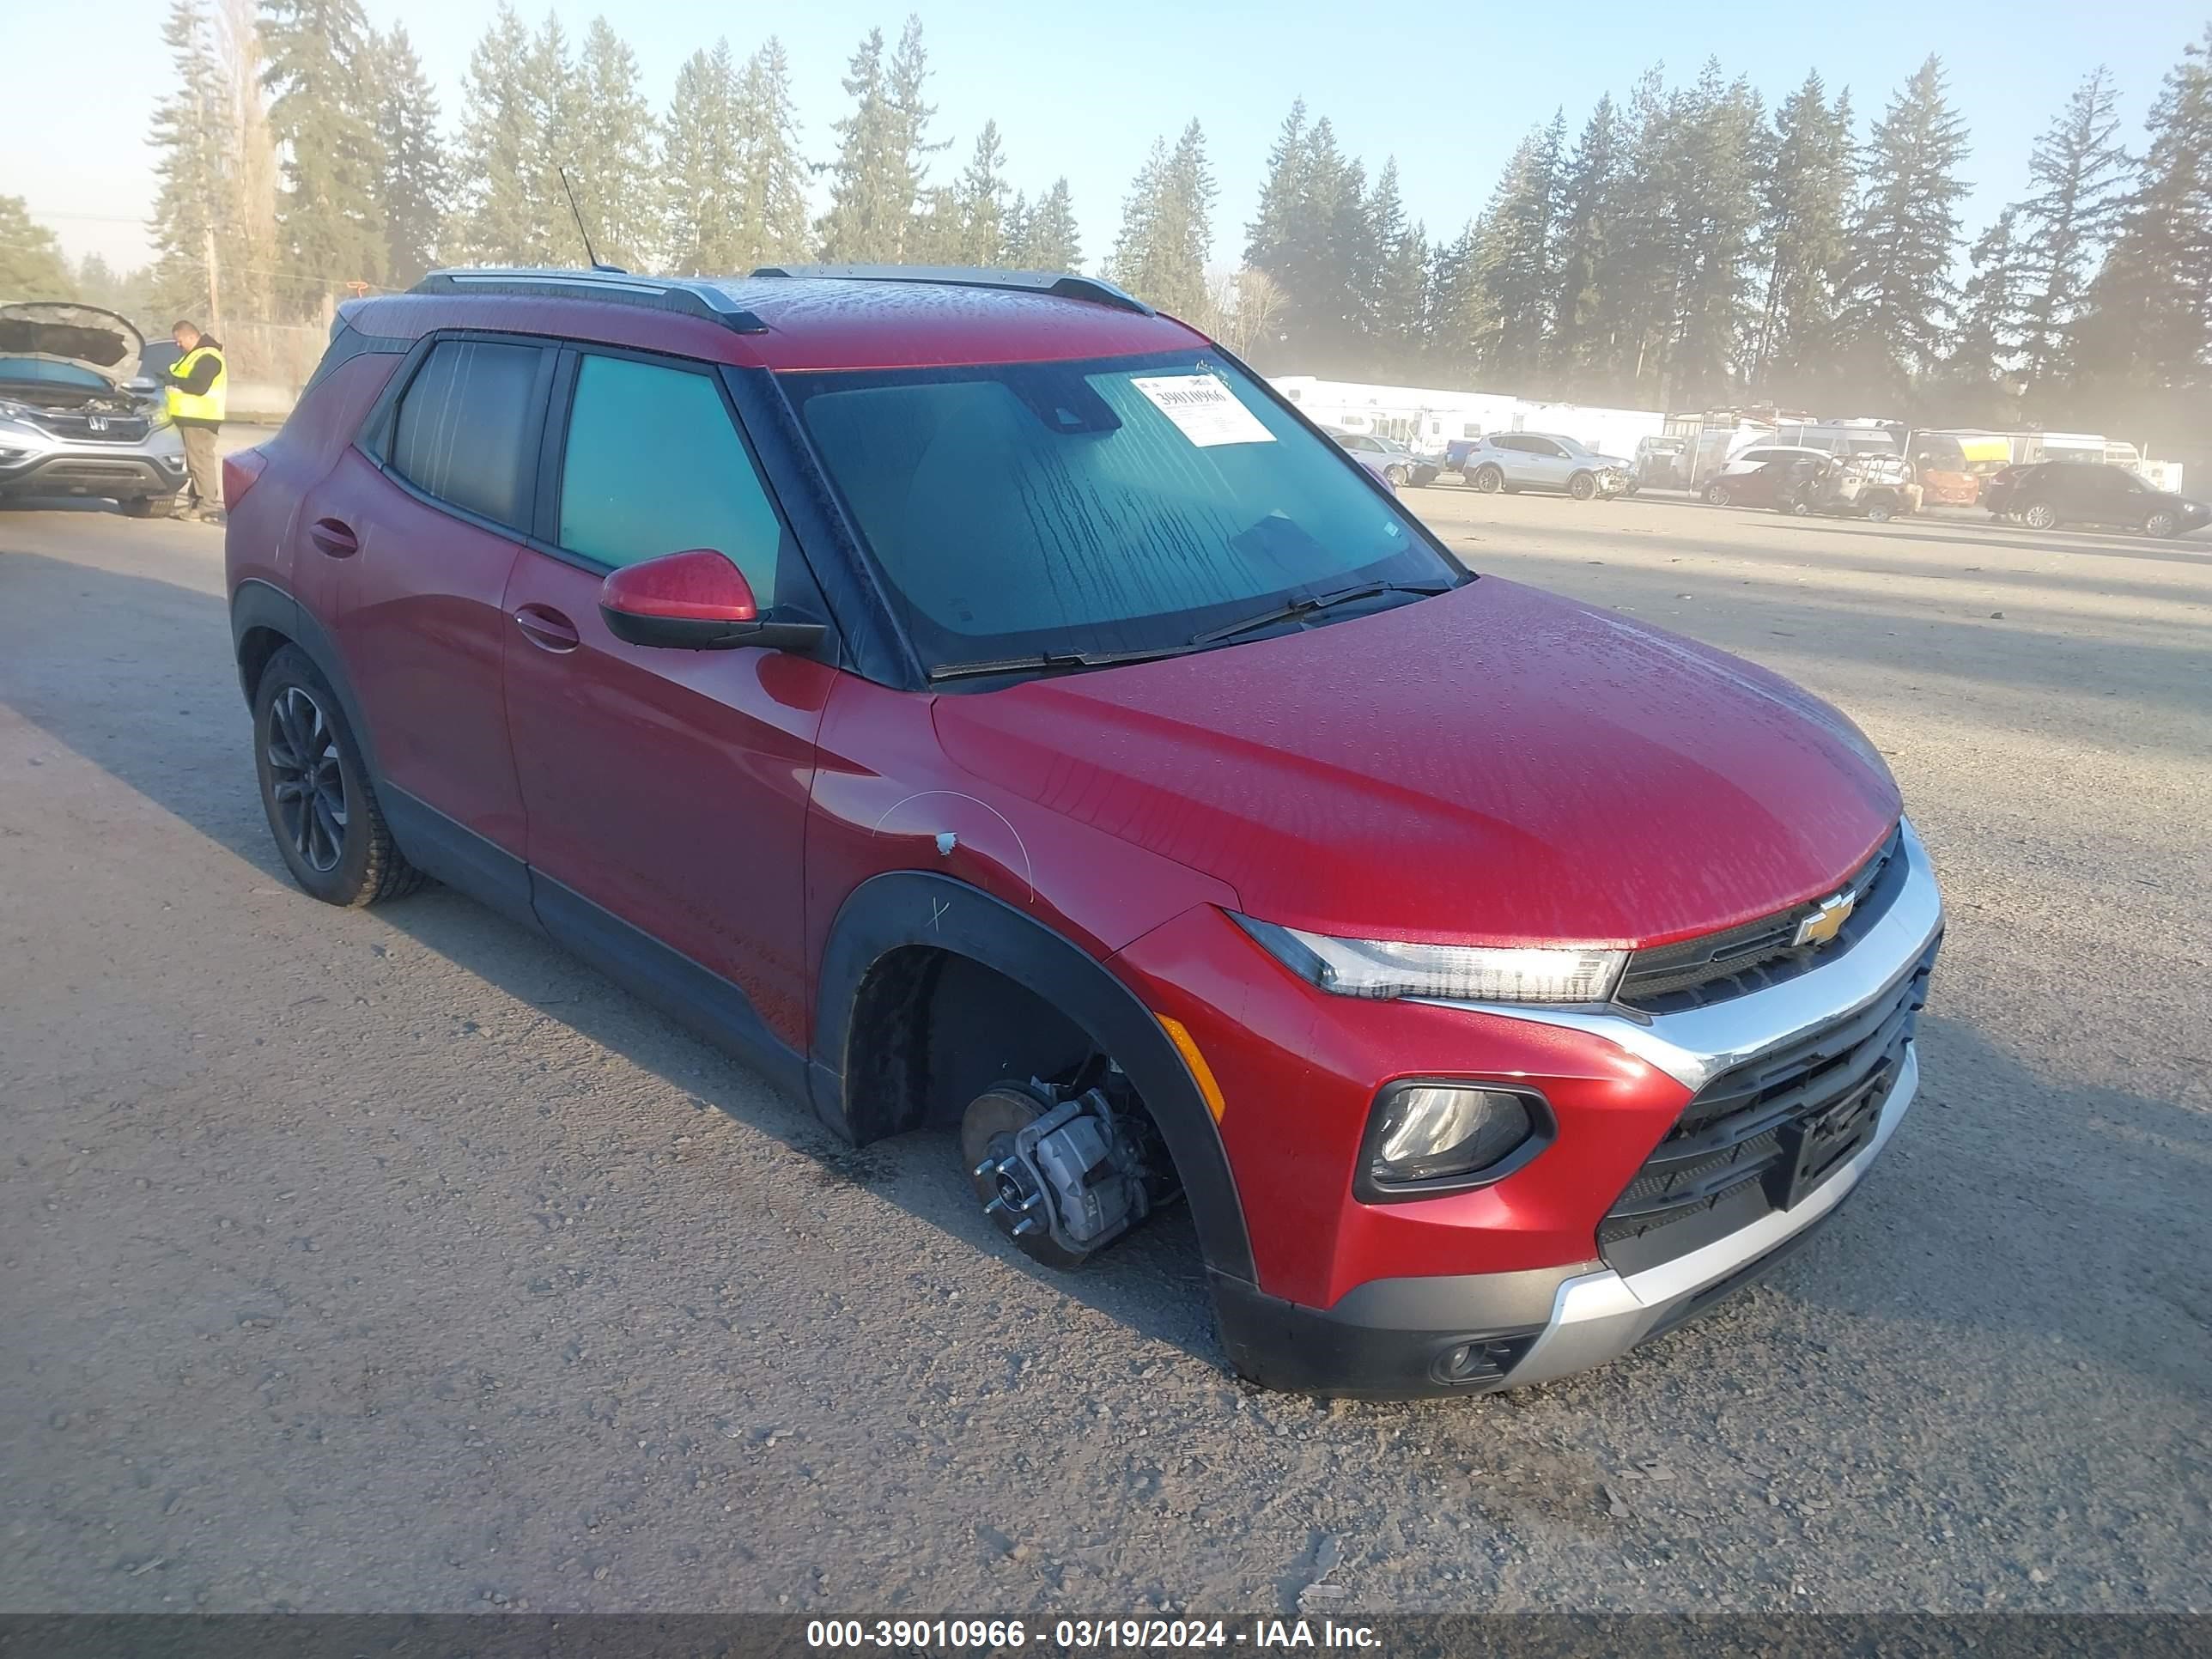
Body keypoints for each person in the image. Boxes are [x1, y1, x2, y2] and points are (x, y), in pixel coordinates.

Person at [161, 321, 228, 523]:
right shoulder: (194, 355)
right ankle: (196, 504)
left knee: (200, 463)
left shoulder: (208, 357)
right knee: (195, 463)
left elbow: (198, 386)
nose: (178, 345)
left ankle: (206, 507)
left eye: (179, 341)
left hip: (201, 419)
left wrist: (174, 381)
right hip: (189, 418)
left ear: (191, 337)